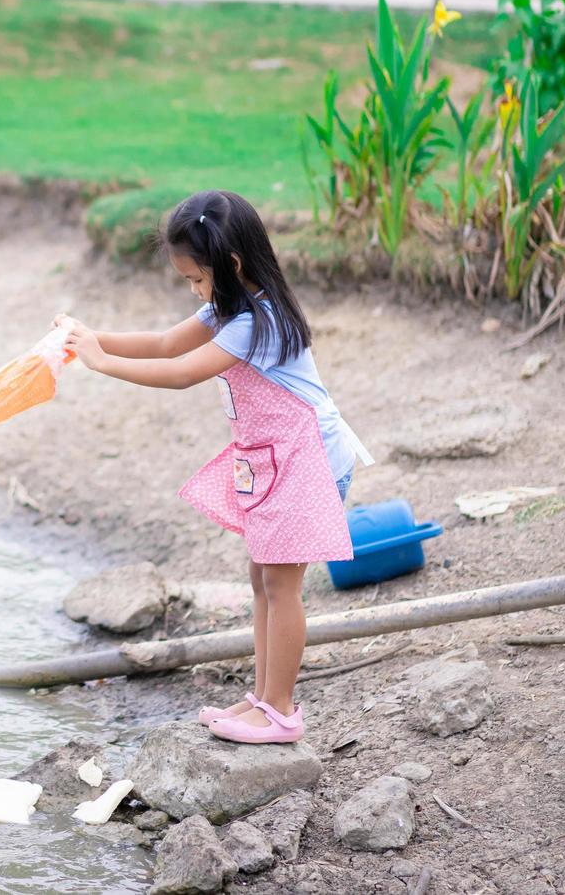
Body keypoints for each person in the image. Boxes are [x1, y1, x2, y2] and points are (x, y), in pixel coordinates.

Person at [57, 189, 372, 745]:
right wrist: (89, 338)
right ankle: (263, 698)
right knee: (263, 578)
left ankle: (281, 712)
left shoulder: (257, 323)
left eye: (196, 279)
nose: (196, 291)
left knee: (281, 585)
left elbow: (181, 372)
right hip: (276, 459)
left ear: (230, 264)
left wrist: (102, 364)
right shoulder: (230, 307)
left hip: (308, 460)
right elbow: (162, 343)